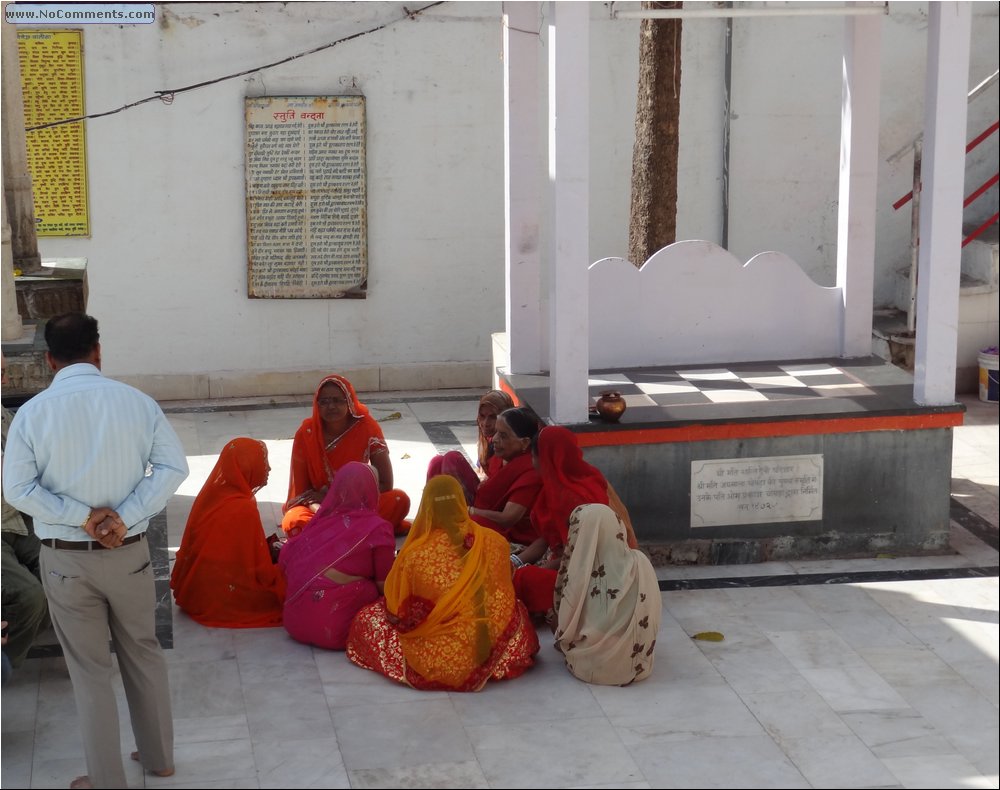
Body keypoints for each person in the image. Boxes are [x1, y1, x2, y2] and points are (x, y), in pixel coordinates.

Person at [1, 313, 189, 789]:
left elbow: (17, 489)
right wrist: (121, 515)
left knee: (89, 670)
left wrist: (82, 517)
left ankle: (106, 780)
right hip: (128, 553)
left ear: (48, 359)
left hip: (66, 560)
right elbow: (172, 467)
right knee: (142, 652)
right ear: (98, 350)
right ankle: (159, 758)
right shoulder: (136, 402)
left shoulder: (33, 413)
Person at [346, 474, 539, 691]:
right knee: (517, 608)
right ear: (460, 501)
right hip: (495, 648)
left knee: (367, 619)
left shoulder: (415, 555)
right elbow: (503, 591)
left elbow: (400, 614)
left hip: (438, 659)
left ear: (426, 507)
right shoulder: (495, 541)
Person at [512, 425, 638, 620]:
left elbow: (582, 558)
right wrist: (516, 561)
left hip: (598, 576)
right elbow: (547, 539)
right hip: (575, 564)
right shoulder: (578, 479)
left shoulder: (571, 497)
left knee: (525, 580)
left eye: (534, 456)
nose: (533, 463)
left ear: (544, 457)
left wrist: (529, 571)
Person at [279, 462, 396, 650]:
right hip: (334, 633)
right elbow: (385, 586)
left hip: (293, 624)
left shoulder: (321, 520)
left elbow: (287, 557)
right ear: (372, 491)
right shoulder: (378, 528)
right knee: (372, 590)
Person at [170, 438, 285, 628]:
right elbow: (258, 571)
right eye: (264, 462)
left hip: (195, 593)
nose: (269, 468)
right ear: (247, 467)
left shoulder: (216, 496)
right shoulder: (242, 508)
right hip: (222, 595)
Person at [281, 374, 410, 536]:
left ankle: (330, 535)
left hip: (358, 502)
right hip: (319, 507)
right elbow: (302, 492)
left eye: (337, 400)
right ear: (317, 405)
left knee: (399, 500)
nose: (331, 406)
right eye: (324, 402)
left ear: (349, 401)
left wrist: (340, 499)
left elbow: (385, 483)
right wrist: (323, 507)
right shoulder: (307, 433)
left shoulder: (367, 428)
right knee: (295, 521)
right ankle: (355, 531)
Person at [552, 504, 662, 685]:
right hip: (638, 663)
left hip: (594, 665)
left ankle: (601, 656)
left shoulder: (582, 572)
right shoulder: (641, 562)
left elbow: (565, 624)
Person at [1, 353, 50, 675]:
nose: (5, 380)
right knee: (30, 596)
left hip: (16, 518)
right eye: (0, 372)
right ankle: (5, 664)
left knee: (66, 573)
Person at [430, 407, 542, 546]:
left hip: (511, 534)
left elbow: (507, 518)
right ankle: (436, 525)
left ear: (524, 443)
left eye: (503, 435)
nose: (494, 439)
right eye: (496, 433)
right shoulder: (502, 457)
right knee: (439, 463)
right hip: (483, 510)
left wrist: (469, 510)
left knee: (476, 521)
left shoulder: (530, 471)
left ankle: (445, 530)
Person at [428, 389, 514, 484]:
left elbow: (498, 484)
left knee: (452, 458)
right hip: (484, 488)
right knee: (437, 462)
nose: (485, 423)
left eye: (493, 417)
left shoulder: (507, 446)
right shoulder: (486, 442)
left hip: (490, 493)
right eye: (482, 416)